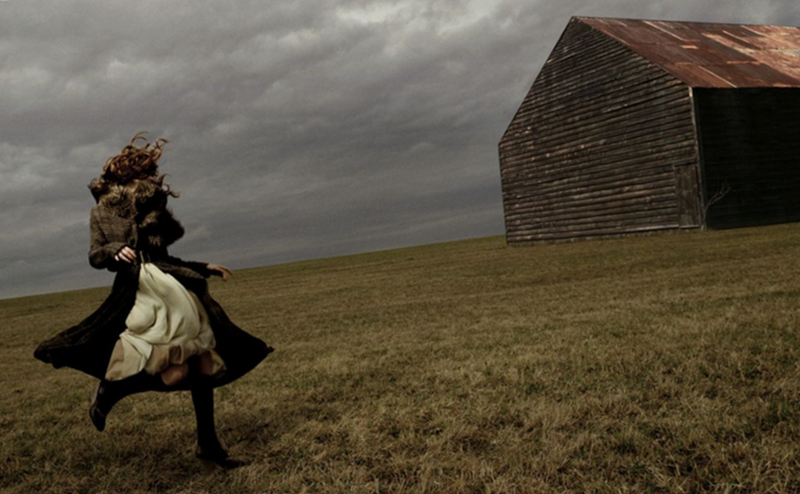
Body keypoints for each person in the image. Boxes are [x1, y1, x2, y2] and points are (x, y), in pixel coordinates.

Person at [34, 132, 273, 470]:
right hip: (140, 291)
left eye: (151, 173)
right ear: (126, 175)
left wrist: (202, 267)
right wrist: (113, 249)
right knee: (175, 370)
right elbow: (94, 255)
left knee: (200, 364)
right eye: (144, 172)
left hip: (172, 287)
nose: (150, 178)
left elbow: (164, 257)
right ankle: (111, 391)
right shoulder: (102, 212)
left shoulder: (153, 207)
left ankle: (208, 447)